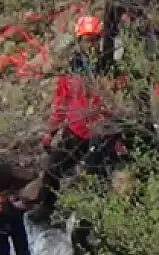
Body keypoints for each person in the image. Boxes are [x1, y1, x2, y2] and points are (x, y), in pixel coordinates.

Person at [27, 15, 111, 225]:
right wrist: (51, 131)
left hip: (101, 131)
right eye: (87, 39)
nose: (91, 44)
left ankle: (97, 220)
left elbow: (117, 101)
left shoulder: (108, 67)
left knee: (97, 175)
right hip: (76, 129)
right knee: (54, 168)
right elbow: (62, 102)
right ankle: (46, 208)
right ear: (79, 41)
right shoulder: (72, 68)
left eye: (94, 39)